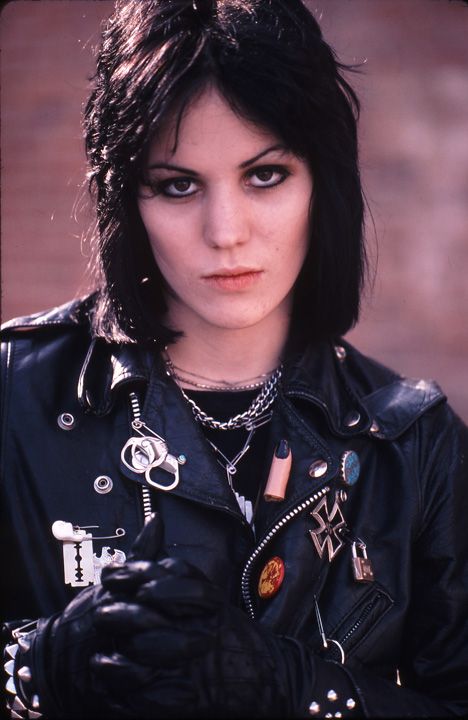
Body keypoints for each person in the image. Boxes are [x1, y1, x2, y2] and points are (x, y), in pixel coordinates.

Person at [1, 0, 467, 717]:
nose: (226, 233)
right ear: (127, 197)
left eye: (265, 175)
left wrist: (297, 688)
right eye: (177, 185)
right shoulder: (12, 396)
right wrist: (42, 665)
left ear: (324, 182)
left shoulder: (414, 447)